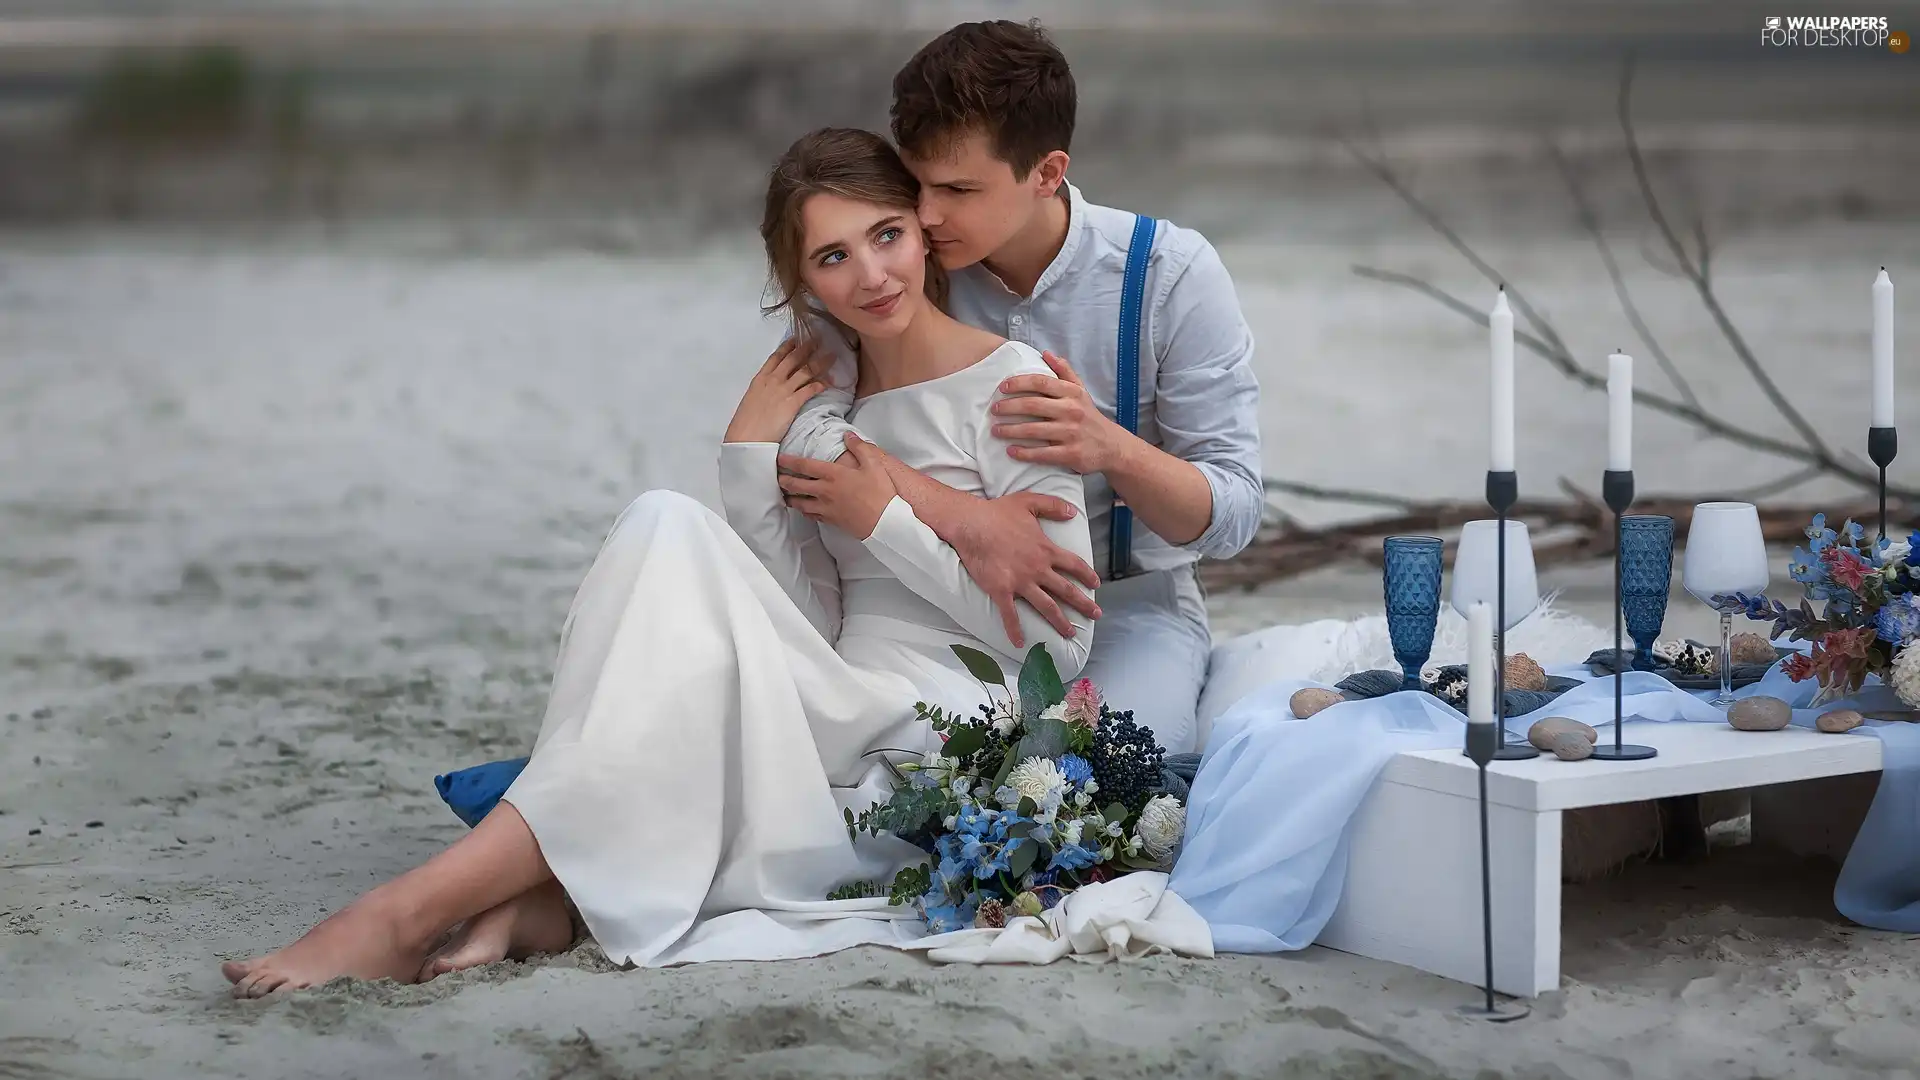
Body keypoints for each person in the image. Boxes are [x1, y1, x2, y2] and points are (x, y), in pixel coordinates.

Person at [218, 128, 1095, 997]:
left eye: (886, 235)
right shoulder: (823, 406)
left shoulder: (1013, 384)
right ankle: (530, 897)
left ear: (921, 228)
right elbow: (808, 617)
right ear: (801, 283)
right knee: (660, 524)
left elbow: (1061, 656)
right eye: (832, 257)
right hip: (833, 693)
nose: (870, 275)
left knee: (668, 565)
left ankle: (412, 913)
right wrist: (747, 459)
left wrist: (888, 522)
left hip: (941, 724)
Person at [778, 20, 1262, 756]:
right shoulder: (900, 271)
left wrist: (1110, 448)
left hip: (1129, 609)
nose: (928, 216)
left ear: (1046, 172)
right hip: (937, 604)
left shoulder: (1171, 276)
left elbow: (1234, 516)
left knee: (1118, 783)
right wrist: (965, 518)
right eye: (919, 185)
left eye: (959, 189)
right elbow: (813, 435)